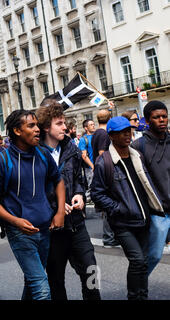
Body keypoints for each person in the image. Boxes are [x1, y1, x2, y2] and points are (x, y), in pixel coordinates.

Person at [0, 109, 66, 300]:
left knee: (32, 282)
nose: (37, 129)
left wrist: (60, 212)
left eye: (37, 125)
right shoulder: (2, 160)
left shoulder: (43, 154)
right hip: (20, 233)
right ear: (17, 131)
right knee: (41, 288)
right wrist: (15, 221)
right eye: (31, 126)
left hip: (44, 228)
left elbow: (59, 181)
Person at [90, 116, 164, 300]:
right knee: (137, 260)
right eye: (122, 132)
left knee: (144, 262)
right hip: (122, 222)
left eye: (129, 131)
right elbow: (96, 194)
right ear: (112, 136)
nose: (127, 135)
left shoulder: (137, 155)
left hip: (143, 218)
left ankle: (142, 296)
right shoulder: (104, 162)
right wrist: (118, 208)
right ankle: (133, 296)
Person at [36, 100, 101, 300]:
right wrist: (55, 206)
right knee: (56, 280)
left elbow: (79, 179)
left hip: (76, 225)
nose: (65, 127)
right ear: (47, 127)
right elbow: (34, 191)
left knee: (91, 271)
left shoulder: (71, 149)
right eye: (59, 123)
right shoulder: (35, 154)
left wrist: (79, 194)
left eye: (64, 122)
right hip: (53, 229)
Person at [131, 100, 169, 275]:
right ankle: (138, 286)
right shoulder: (139, 146)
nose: (162, 120)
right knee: (153, 255)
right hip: (157, 212)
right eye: (157, 117)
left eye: (164, 116)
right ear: (147, 120)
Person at [91, 109, 118, 248]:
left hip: (101, 172)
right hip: (106, 172)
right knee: (109, 206)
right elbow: (102, 154)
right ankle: (109, 238)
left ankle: (113, 236)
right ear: (109, 118)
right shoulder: (103, 134)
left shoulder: (96, 133)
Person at [78, 119, 96, 202]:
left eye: (93, 124)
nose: (93, 126)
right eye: (91, 124)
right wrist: (92, 166)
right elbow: (83, 155)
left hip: (98, 165)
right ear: (86, 128)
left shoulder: (96, 136)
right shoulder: (83, 139)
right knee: (91, 187)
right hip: (90, 167)